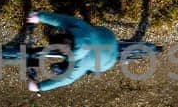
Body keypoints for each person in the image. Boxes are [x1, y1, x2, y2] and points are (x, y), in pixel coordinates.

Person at [19, 11, 158, 93]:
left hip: (106, 61)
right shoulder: (81, 28)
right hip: (107, 36)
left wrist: (39, 17)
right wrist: (38, 86)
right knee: (59, 68)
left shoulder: (81, 63)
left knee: (61, 69)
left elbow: (66, 79)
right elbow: (60, 20)